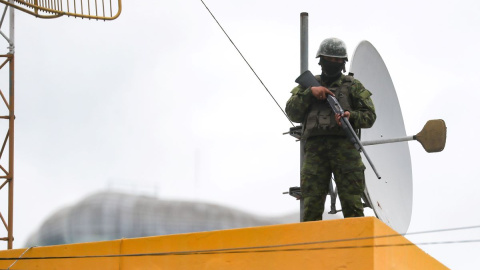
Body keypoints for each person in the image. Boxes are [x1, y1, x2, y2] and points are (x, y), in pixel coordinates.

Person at [285, 37, 376, 221]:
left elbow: (370, 116)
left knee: (353, 207)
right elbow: (292, 112)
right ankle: (312, 248)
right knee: (311, 207)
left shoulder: (353, 86)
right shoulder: (307, 86)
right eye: (329, 59)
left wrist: (351, 116)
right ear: (321, 60)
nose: (333, 63)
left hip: (346, 151)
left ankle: (356, 248)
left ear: (343, 63)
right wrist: (309, 94)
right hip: (315, 153)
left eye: (337, 60)